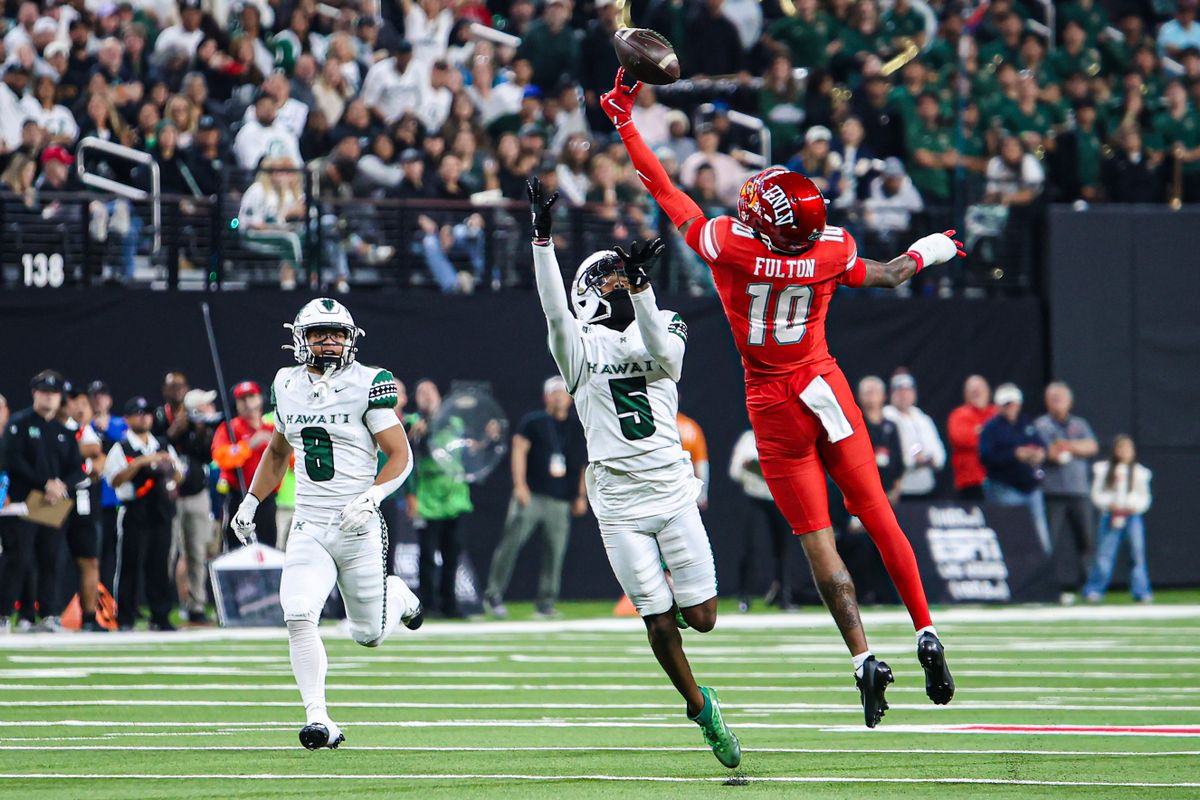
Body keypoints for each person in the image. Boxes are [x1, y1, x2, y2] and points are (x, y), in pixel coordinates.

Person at [602, 68, 961, 728]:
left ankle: (863, 657)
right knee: (877, 511)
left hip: (773, 403)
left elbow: (666, 189)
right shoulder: (831, 249)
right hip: (824, 385)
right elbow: (889, 273)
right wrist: (932, 250)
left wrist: (624, 120)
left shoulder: (733, 246)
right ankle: (926, 630)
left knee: (819, 542)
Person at [527, 176, 741, 768]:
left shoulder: (664, 321)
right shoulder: (578, 347)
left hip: (670, 488)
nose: (618, 283)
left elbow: (665, 356)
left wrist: (642, 288)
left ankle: (686, 640)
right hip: (618, 500)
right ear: (587, 292)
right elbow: (552, 311)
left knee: (703, 618)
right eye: (609, 278)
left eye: (624, 276)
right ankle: (701, 709)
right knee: (658, 621)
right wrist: (542, 240)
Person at [230, 298, 423, 751]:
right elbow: (277, 452)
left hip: (357, 525)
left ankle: (398, 594)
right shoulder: (285, 383)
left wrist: (372, 496)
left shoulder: (369, 382)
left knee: (368, 635)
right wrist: (252, 500)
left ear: (351, 338)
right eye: (319, 333)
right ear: (301, 339)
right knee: (298, 614)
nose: (330, 341)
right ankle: (318, 718)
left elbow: (401, 454)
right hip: (309, 523)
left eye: (337, 333)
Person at [483, 376, 587, 619]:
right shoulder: (534, 422)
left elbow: (583, 464)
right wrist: (520, 485)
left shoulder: (577, 426)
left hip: (560, 500)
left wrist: (580, 495)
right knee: (510, 544)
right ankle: (493, 594)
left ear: (570, 397)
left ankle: (546, 602)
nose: (559, 396)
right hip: (532, 495)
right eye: (554, 392)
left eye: (562, 391)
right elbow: (519, 450)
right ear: (545, 397)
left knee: (555, 553)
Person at [0, 370, 83, 633]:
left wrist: (61, 485)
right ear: (34, 393)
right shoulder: (19, 423)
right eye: (44, 392)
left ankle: (48, 615)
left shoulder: (63, 432)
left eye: (53, 393)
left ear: (59, 397)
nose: (49, 397)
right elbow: (11, 458)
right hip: (23, 502)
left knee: (52, 559)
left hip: (52, 503)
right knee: (18, 559)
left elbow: (77, 468)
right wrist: (44, 483)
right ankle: (4, 615)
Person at [103, 396, 184, 632]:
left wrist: (168, 467)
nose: (143, 417)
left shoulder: (163, 445)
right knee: (130, 564)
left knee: (159, 564)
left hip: (161, 510)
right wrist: (141, 462)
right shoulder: (121, 447)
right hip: (135, 509)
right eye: (137, 413)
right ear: (127, 418)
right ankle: (126, 616)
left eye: (146, 413)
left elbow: (179, 475)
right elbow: (114, 480)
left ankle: (160, 615)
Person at [405, 379, 473, 618]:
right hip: (428, 498)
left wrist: (485, 439)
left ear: (439, 396)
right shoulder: (412, 422)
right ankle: (428, 603)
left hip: (455, 495)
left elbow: (468, 451)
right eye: (421, 392)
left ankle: (450, 603)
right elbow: (410, 450)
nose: (426, 396)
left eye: (430, 391)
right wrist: (416, 435)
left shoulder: (455, 422)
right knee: (427, 554)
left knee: (452, 554)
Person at [153, 373, 217, 624]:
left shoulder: (198, 420)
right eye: (172, 387)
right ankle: (162, 606)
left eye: (181, 386)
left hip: (196, 493)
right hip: (168, 496)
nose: (177, 391)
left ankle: (196, 605)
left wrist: (200, 431)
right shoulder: (159, 416)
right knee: (166, 553)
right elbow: (154, 446)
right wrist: (173, 432)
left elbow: (207, 456)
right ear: (165, 390)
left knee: (197, 552)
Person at [1034, 382, 1099, 606]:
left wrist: (1068, 445)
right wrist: (1065, 448)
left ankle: (1090, 587)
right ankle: (1048, 587)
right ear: (1047, 401)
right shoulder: (1042, 425)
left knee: (1086, 540)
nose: (1057, 402)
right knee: (1049, 542)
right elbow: (1049, 452)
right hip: (1052, 492)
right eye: (1053, 398)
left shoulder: (1079, 424)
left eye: (1061, 398)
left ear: (1069, 401)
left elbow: (1091, 446)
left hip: (1079, 490)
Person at [978, 384, 1051, 554]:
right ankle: (1014, 566)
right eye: (1006, 404)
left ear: (1018, 404)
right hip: (1005, 486)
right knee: (1011, 532)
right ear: (998, 406)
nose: (1010, 408)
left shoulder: (1027, 423)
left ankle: (1043, 567)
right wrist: (1014, 454)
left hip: (1031, 487)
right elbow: (986, 457)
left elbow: (1041, 445)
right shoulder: (991, 428)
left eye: (1013, 404)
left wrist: (1039, 453)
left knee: (1040, 532)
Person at [728, 428, 793, 613]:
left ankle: (783, 596)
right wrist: (752, 469)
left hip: (778, 499)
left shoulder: (782, 437)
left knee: (782, 549)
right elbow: (735, 471)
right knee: (751, 546)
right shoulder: (748, 439)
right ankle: (744, 596)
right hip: (755, 497)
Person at [1083, 436, 1153, 604]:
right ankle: (1094, 589)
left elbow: (1145, 497)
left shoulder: (1140, 472)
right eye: (1121, 448)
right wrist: (1109, 504)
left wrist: (1134, 505)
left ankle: (1141, 591)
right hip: (1111, 516)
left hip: (1132, 516)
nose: (1124, 452)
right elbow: (1097, 494)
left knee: (1137, 554)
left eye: (1128, 449)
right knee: (1104, 555)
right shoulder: (1103, 470)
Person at [212, 381, 278, 549]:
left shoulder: (272, 429)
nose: (248, 403)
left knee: (268, 547)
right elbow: (221, 457)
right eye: (242, 399)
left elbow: (291, 459)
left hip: (266, 499)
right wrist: (249, 445)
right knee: (236, 548)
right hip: (239, 498)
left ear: (260, 398)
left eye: (251, 397)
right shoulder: (229, 428)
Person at [883, 373, 946, 501]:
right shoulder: (886, 417)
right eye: (899, 391)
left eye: (907, 391)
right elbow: (892, 453)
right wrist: (912, 460)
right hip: (898, 488)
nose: (904, 395)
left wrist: (930, 459)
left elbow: (939, 454)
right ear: (892, 394)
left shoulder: (923, 419)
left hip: (925, 488)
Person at [947, 375, 997, 501]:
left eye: (980, 389)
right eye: (972, 390)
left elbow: (1007, 439)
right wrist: (990, 435)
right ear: (965, 394)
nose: (977, 392)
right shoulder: (959, 415)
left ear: (988, 392)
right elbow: (961, 438)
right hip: (971, 480)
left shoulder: (996, 413)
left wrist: (981, 432)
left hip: (999, 479)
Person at [676, 408, 710, 510]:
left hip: (655, 494)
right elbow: (701, 466)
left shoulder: (651, 424)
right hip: (685, 496)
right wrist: (702, 494)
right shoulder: (690, 427)